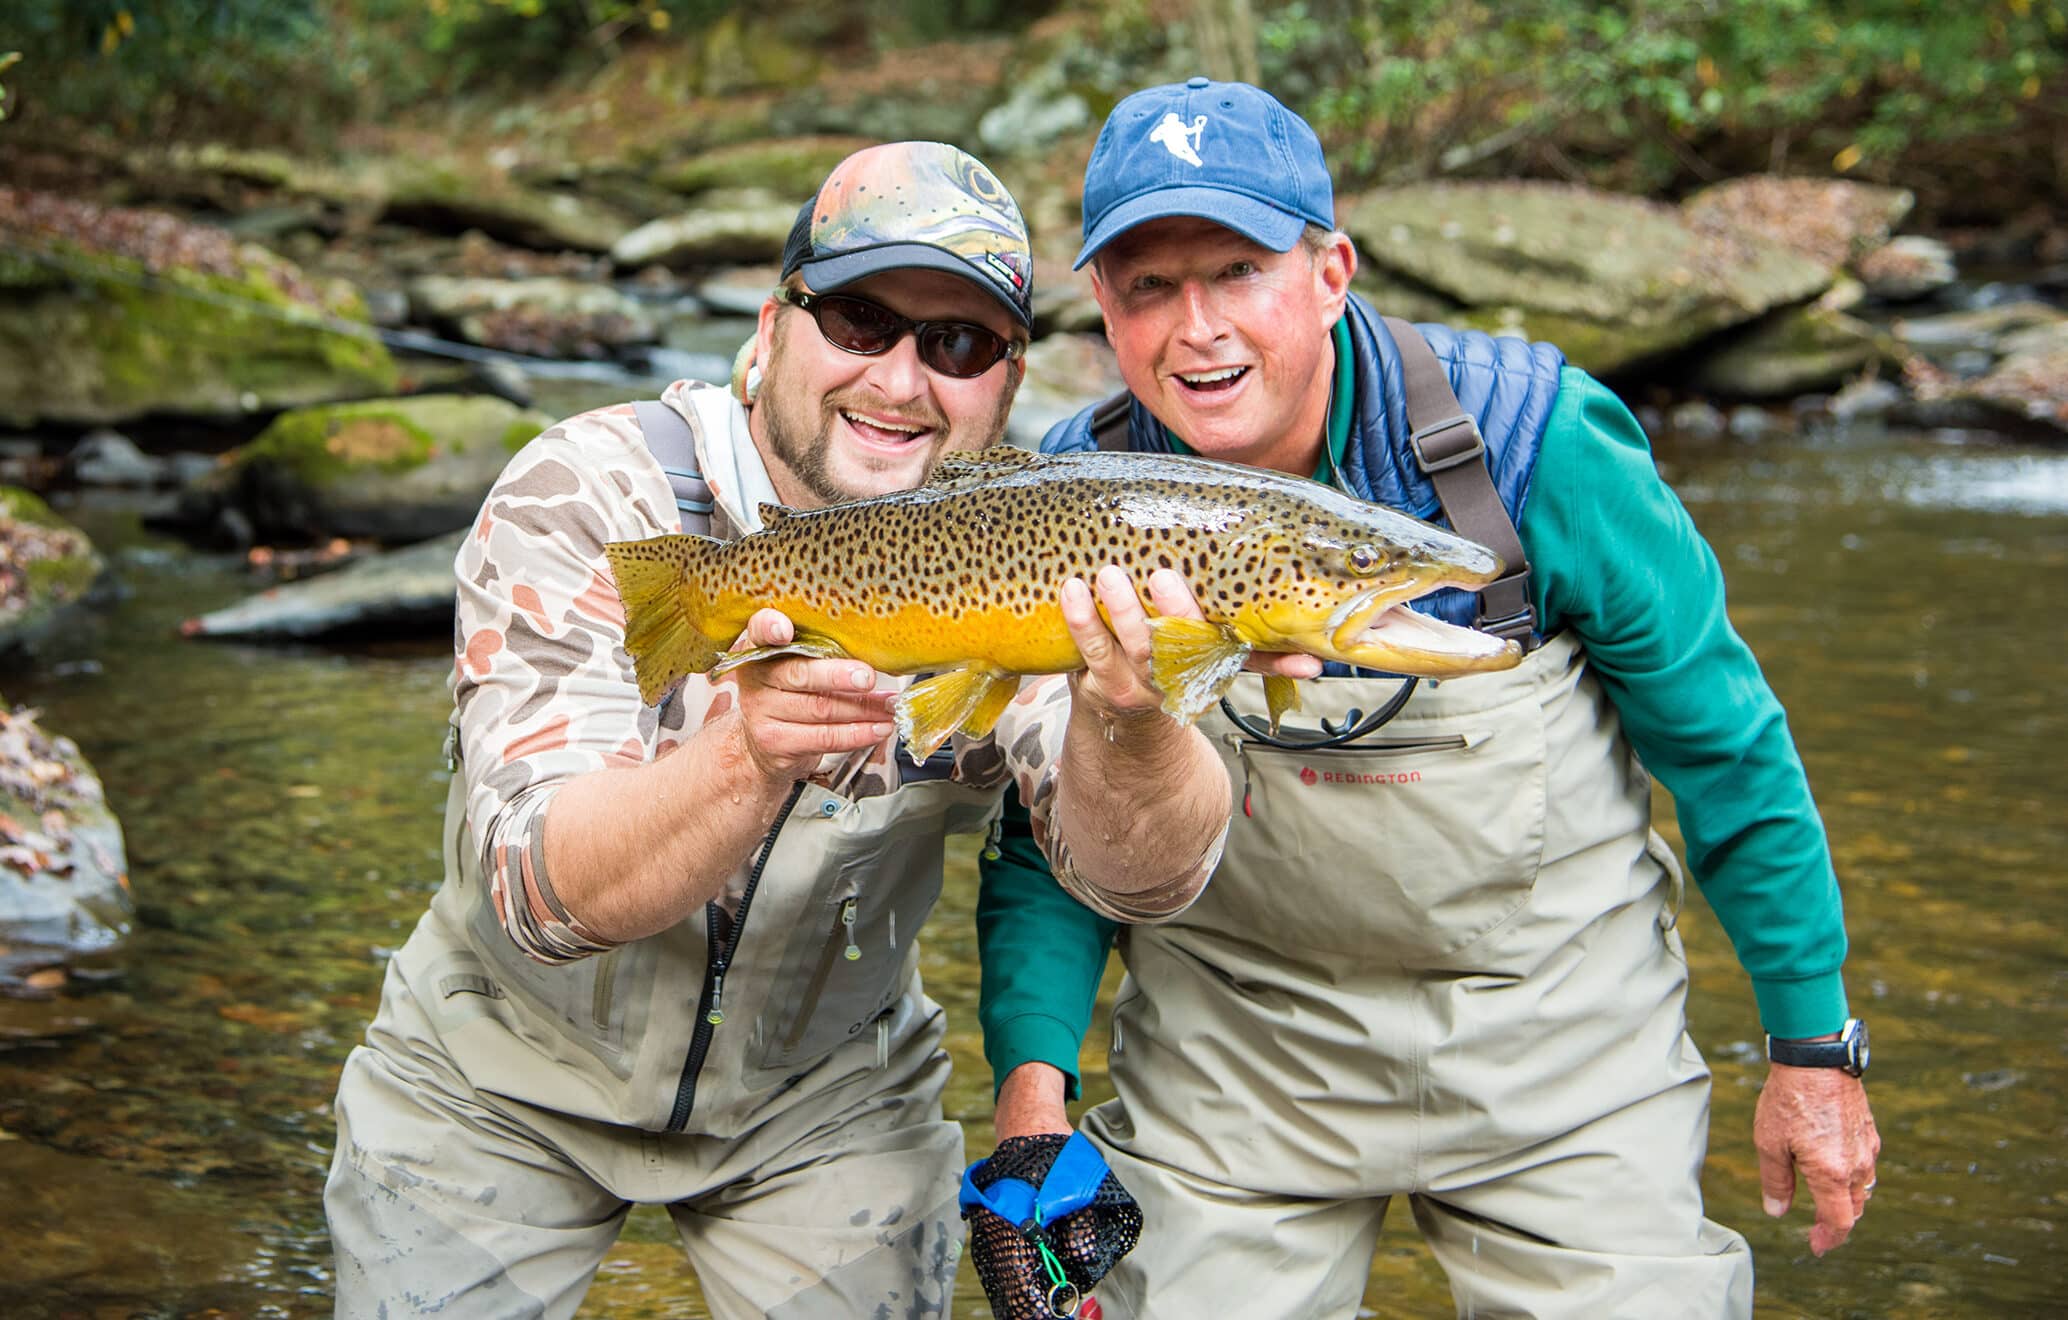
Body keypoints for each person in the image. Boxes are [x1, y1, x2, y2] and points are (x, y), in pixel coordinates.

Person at [971, 80, 1881, 1319]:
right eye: (1147, 288)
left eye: (1237, 271)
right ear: (1104, 314)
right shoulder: (1067, 502)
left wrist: (1811, 1051)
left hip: (1562, 1057)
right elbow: (1047, 840)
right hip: (1234, 1063)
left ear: (1331, 269)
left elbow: (1725, 750)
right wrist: (1033, 1106)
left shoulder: (1533, 445)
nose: (1196, 330)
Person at [323, 140, 1255, 1319]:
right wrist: (744, 754)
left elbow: (1139, 878)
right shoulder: (592, 496)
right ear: (769, 331)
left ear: (1008, 387)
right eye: (861, 319)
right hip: (495, 1072)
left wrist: (1132, 719)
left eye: (960, 344)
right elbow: (536, 898)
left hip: (827, 1096)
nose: (904, 380)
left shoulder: (1042, 552)